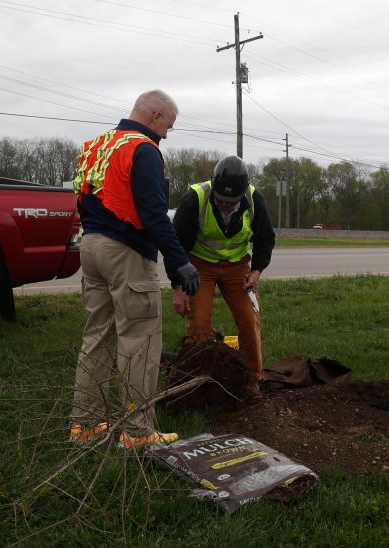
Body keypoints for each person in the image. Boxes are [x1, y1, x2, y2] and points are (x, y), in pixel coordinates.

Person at [69, 90, 200, 449]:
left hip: (92, 247)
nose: (167, 134)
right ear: (155, 115)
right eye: (168, 126)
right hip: (125, 253)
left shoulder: (97, 145)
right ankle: (138, 433)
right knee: (139, 341)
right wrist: (180, 262)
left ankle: (86, 424)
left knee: (97, 337)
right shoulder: (143, 149)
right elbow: (154, 215)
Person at [171, 155, 276, 396]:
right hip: (199, 267)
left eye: (232, 201)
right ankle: (196, 383)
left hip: (238, 266)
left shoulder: (254, 200)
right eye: (222, 200)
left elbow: (265, 239)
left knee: (249, 320)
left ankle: (252, 380)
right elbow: (175, 246)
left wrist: (257, 272)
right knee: (199, 325)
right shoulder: (194, 199)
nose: (227, 205)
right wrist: (178, 287)